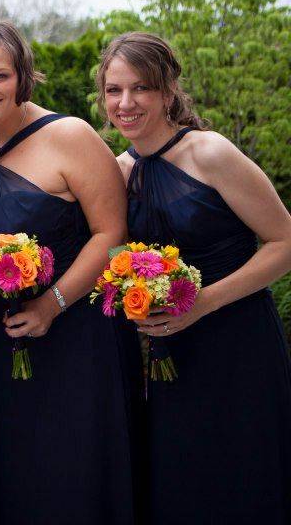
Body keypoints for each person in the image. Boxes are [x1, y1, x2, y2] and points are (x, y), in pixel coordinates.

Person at [0, 20, 142, 524]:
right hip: (15, 336)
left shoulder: (69, 135)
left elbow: (111, 234)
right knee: (25, 464)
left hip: (79, 331)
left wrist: (51, 304)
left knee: (74, 463)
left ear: (22, 75)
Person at [102, 31, 291, 523]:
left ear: (168, 91)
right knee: (180, 482)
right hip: (168, 356)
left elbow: (284, 243)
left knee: (247, 479)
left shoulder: (210, 154)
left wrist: (203, 302)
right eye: (114, 90)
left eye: (141, 88)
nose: (126, 103)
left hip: (238, 344)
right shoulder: (117, 172)